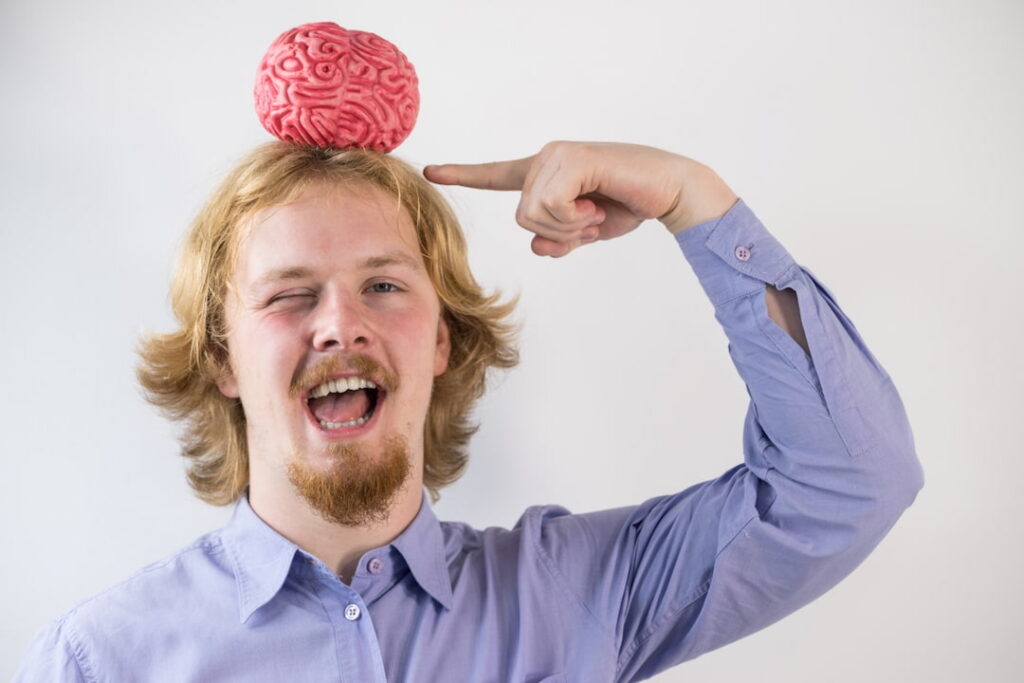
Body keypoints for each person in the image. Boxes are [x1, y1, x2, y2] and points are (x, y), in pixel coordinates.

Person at [15, 140, 923, 682]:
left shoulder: (586, 593)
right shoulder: (102, 662)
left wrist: (694, 196)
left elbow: (847, 481)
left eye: (382, 283)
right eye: (290, 294)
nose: (340, 325)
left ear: (442, 341)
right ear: (222, 359)